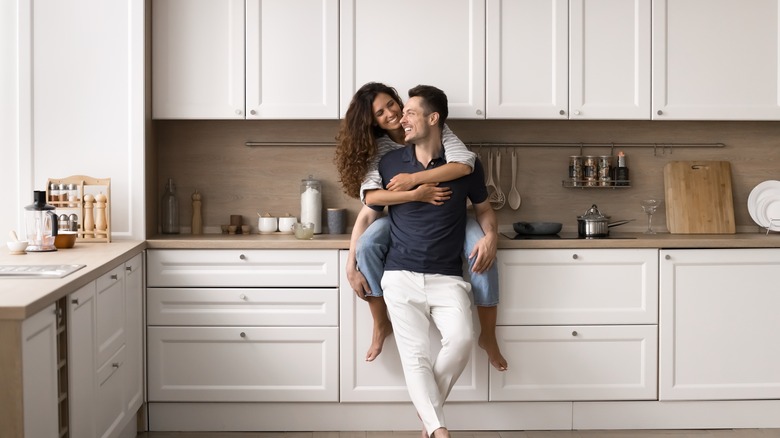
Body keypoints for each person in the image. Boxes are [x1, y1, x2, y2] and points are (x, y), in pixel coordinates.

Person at [334, 83, 507, 371]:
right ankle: (380, 323)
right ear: (372, 122)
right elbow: (370, 203)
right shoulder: (382, 153)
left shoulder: (434, 127)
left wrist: (415, 180)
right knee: (366, 245)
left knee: (483, 251)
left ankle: (488, 335)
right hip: (402, 216)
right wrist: (349, 265)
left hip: (451, 216)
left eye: (392, 104)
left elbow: (464, 165)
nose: (392, 114)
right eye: (380, 112)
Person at [374, 84, 497, 438]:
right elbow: (370, 208)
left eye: (411, 113)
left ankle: (428, 418)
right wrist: (355, 256)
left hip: (447, 276)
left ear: (433, 118)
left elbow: (486, 211)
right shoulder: (389, 162)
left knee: (461, 340)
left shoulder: (466, 165)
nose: (402, 119)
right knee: (415, 356)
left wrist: (490, 237)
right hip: (399, 274)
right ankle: (440, 431)